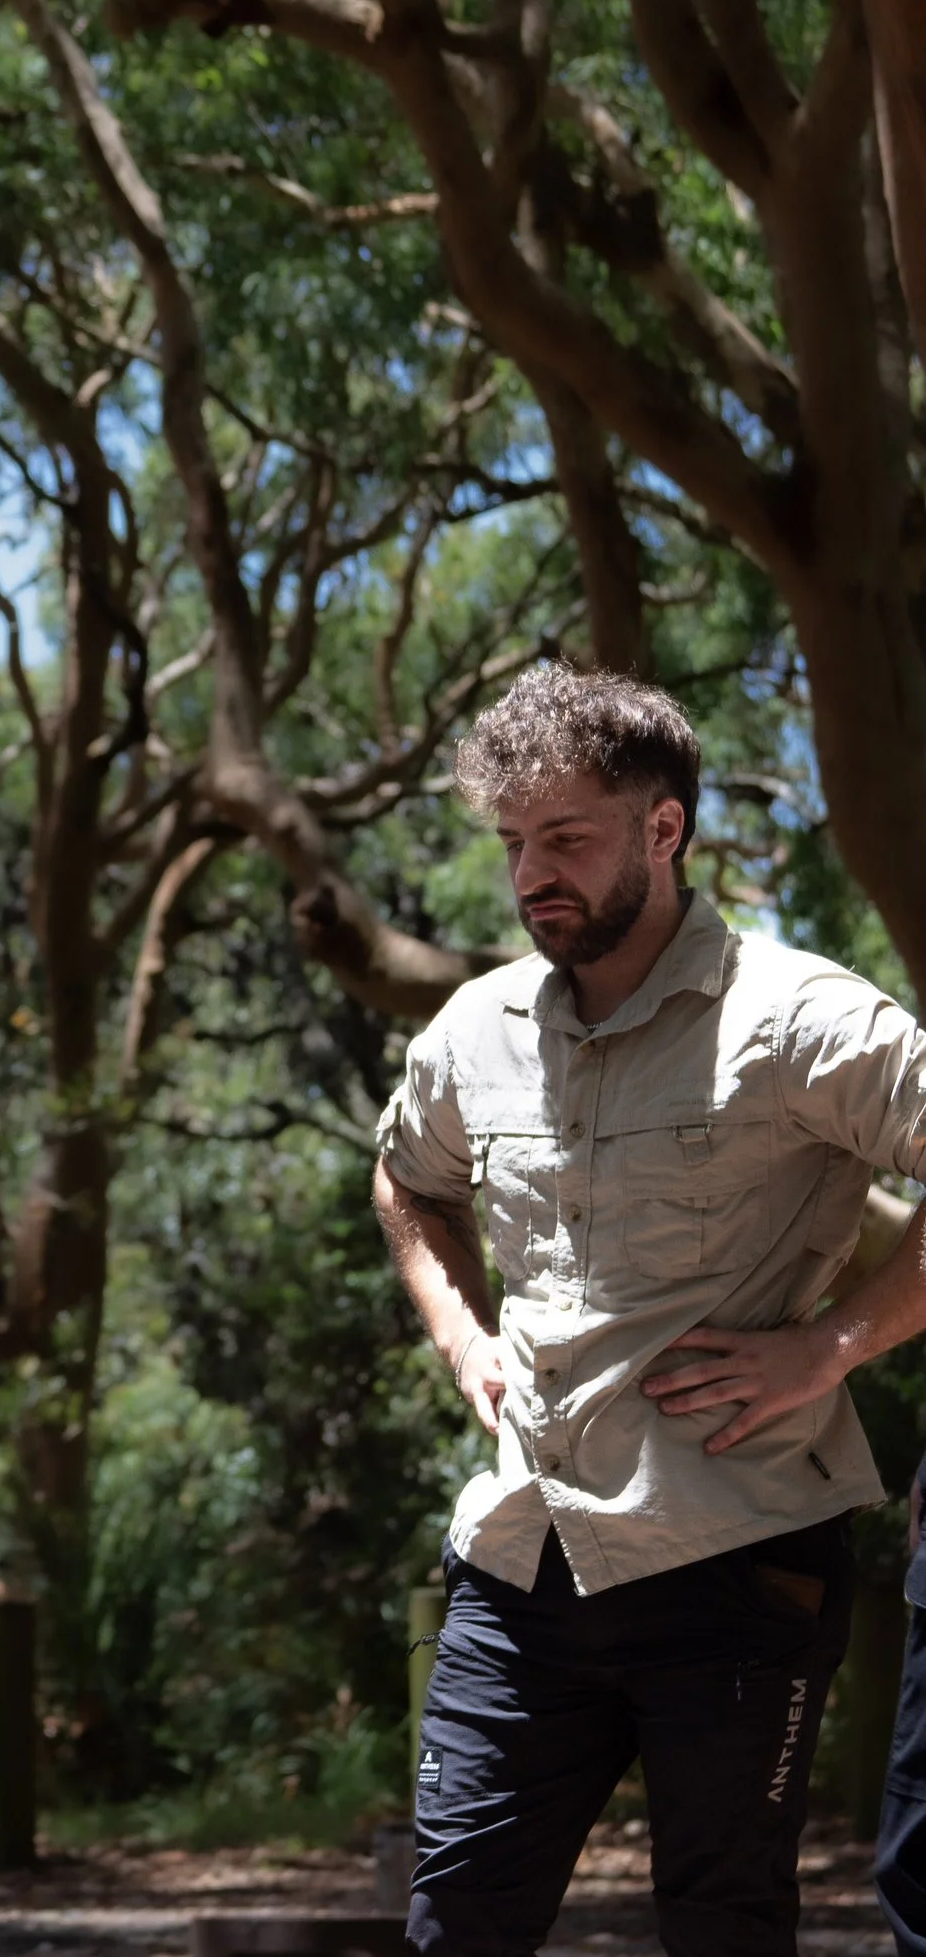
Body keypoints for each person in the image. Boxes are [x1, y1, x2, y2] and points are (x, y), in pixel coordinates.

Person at [373, 663, 926, 1957]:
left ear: (662, 830)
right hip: (517, 1562)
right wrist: (461, 1336)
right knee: (452, 1928)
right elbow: (407, 1182)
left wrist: (830, 1347)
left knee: (724, 1934)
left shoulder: (798, 1022)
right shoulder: (472, 1033)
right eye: (514, 843)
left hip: (735, 1569)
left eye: (565, 837)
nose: (530, 878)